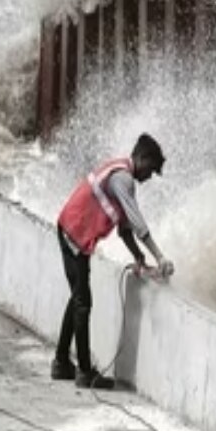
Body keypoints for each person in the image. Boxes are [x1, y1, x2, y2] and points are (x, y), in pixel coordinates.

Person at [53, 133, 174, 389]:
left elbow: (124, 228)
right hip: (75, 234)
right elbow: (137, 221)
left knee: (78, 297)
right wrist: (160, 257)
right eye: (150, 169)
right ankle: (84, 372)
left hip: (69, 229)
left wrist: (138, 257)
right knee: (83, 303)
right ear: (141, 158)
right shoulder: (124, 179)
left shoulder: (117, 171)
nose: (150, 177)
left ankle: (61, 362)